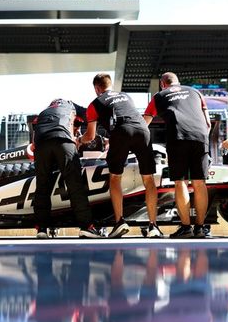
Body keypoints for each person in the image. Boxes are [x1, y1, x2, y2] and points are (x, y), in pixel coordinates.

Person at [86, 73, 162, 238]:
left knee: (115, 177)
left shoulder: (94, 104)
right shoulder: (126, 96)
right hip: (142, 130)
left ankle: (120, 222)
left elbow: (90, 137)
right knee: (148, 178)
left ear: (97, 88)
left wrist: (79, 140)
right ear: (110, 84)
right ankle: (153, 226)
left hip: (120, 133)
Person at [143, 72, 212, 238]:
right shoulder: (195, 92)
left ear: (162, 84)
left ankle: (186, 228)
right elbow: (208, 122)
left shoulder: (159, 96)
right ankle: (200, 228)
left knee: (180, 182)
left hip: (178, 137)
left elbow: (144, 123)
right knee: (199, 182)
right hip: (200, 136)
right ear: (178, 82)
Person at [31, 98, 101, 238]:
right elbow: (91, 116)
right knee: (75, 184)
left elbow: (34, 133)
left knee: (42, 186)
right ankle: (86, 226)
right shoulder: (71, 106)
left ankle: (42, 229)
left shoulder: (44, 112)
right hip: (63, 140)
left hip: (42, 143)